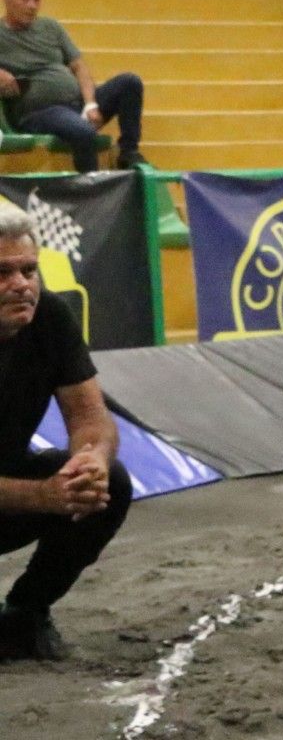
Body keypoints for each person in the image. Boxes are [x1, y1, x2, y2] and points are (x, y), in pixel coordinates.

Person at [0, 204, 129, 664]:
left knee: (109, 481)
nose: (22, 285)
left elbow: (91, 419)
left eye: (29, 270)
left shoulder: (50, 317)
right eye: (3, 273)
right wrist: (44, 497)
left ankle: (23, 614)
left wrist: (89, 461)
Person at [0, 0, 145, 173]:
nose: (32, 5)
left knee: (130, 82)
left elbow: (79, 66)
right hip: (38, 113)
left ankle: (128, 153)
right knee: (83, 131)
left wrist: (90, 103)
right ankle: (91, 189)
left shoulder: (50, 27)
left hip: (77, 105)